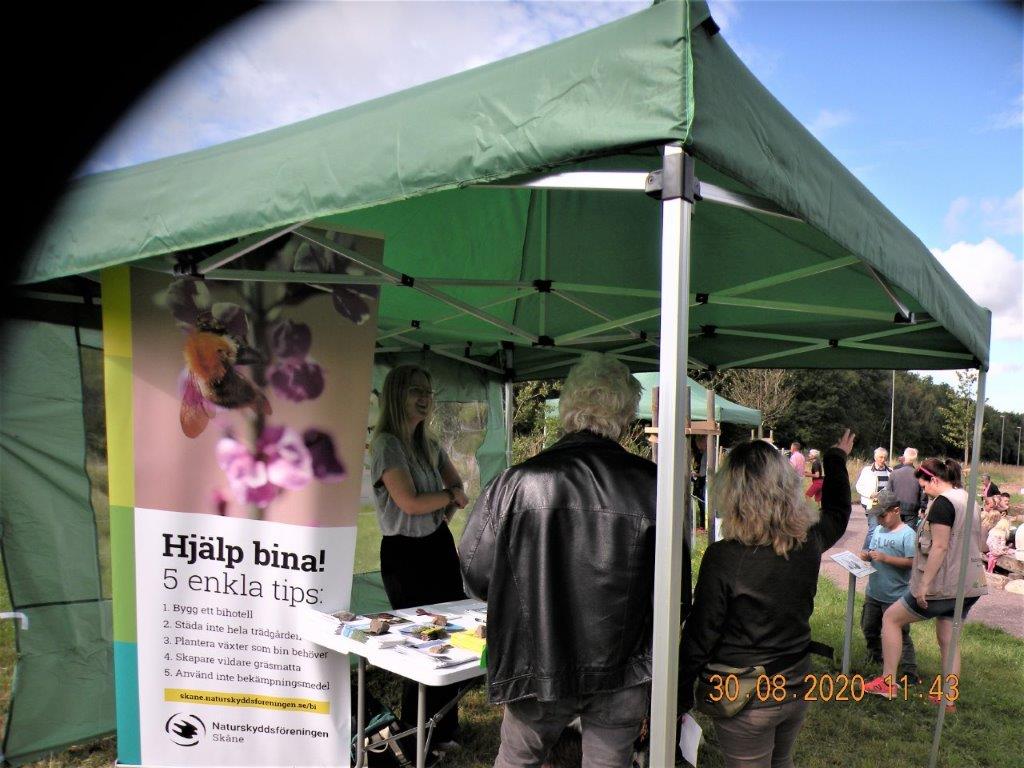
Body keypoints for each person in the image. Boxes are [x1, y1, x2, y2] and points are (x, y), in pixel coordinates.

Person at [460, 353, 680, 768]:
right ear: (626, 415)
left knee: (518, 759)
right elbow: (674, 593)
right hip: (622, 666)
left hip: (538, 660)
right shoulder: (655, 486)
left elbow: (475, 573)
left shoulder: (516, 481)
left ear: (567, 408)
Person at [678, 429, 855, 768]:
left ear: (733, 493)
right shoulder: (808, 540)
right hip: (796, 681)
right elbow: (837, 511)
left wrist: (678, 696)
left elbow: (701, 635)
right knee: (781, 761)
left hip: (746, 695)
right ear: (787, 488)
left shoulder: (724, 557)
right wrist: (835, 458)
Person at [369, 364, 469, 748]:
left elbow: (458, 486)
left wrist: (443, 515)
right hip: (404, 556)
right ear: (397, 394)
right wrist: (447, 498)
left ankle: (445, 729)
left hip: (437, 546)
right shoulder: (386, 445)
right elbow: (409, 502)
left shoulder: (429, 444)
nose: (425, 398)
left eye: (429, 391)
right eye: (416, 390)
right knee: (420, 641)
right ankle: (417, 734)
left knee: (449, 635)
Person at [864, 458, 988, 711]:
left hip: (943, 585)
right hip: (969, 584)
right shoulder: (969, 500)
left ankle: (888, 682)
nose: (923, 491)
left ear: (934, 479)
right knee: (948, 639)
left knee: (891, 619)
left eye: (923, 485)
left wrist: (924, 585)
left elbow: (940, 546)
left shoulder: (943, 503)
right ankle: (948, 698)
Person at [858, 490, 918, 681]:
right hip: (874, 592)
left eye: (882, 515)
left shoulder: (908, 534)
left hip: (896, 595)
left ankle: (909, 670)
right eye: (876, 516)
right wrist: (867, 555)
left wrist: (886, 558)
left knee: (901, 633)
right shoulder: (878, 530)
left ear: (896, 510)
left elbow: (912, 562)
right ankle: (876, 656)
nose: (879, 520)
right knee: (869, 627)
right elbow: (872, 550)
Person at [856, 447, 892, 549]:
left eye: (884, 457)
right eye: (880, 457)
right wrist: (870, 494)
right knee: (874, 528)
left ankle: (876, 551)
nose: (883, 460)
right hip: (872, 503)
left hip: (884, 503)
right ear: (875, 458)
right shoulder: (867, 470)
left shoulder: (890, 471)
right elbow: (859, 487)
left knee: (883, 528)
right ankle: (866, 551)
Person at [889, 447, 925, 531]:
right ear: (915, 459)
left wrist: (888, 508)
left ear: (904, 457)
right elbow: (923, 494)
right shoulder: (919, 475)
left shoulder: (894, 473)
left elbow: (888, 492)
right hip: (912, 511)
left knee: (895, 533)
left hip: (896, 509)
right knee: (910, 534)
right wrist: (923, 510)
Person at [693, 434, 708, 529]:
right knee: (700, 502)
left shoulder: (707, 454)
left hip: (704, 481)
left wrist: (693, 474)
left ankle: (704, 524)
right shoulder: (699, 454)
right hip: (699, 480)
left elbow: (703, 473)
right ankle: (702, 523)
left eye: (699, 442)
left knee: (703, 502)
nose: (697, 445)